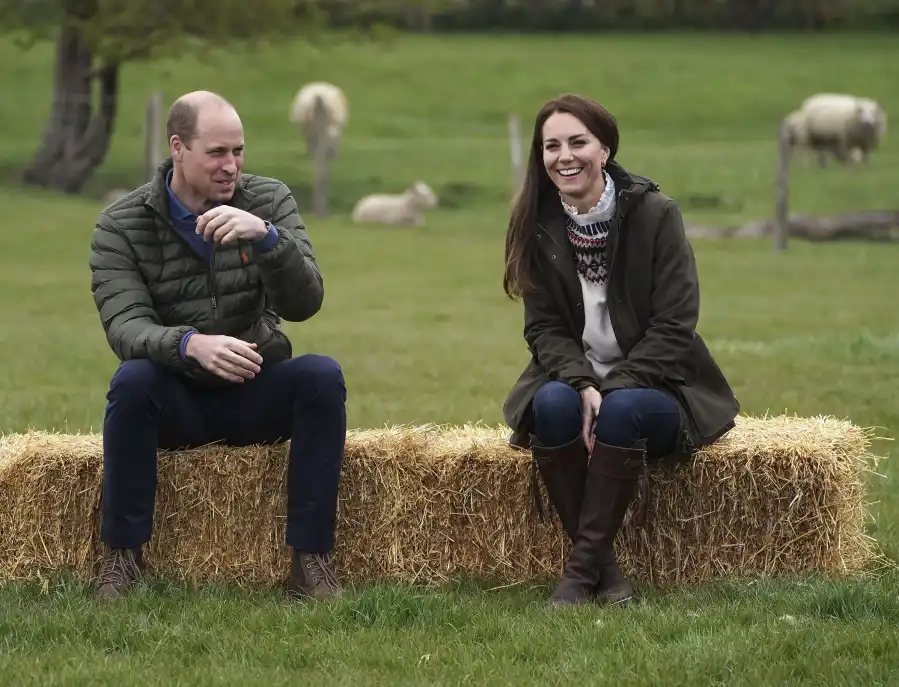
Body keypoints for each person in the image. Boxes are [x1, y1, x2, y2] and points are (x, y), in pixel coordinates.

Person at [89, 90, 347, 602]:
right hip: (177, 401)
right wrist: (189, 345)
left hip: (254, 388)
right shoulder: (120, 225)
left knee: (321, 376)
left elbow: (306, 303)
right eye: (217, 153)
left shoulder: (268, 200)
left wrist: (269, 240)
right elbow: (125, 328)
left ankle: (310, 563)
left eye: (238, 152)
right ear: (178, 148)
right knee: (132, 381)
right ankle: (122, 560)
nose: (231, 166)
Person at [501, 94, 740, 609]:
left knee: (624, 412)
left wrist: (611, 388)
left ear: (604, 148)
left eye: (578, 142)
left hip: (657, 385)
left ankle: (579, 573)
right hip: (574, 379)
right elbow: (543, 329)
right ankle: (605, 574)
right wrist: (583, 384)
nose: (564, 156)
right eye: (551, 146)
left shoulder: (656, 215)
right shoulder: (538, 223)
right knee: (550, 406)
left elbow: (675, 325)